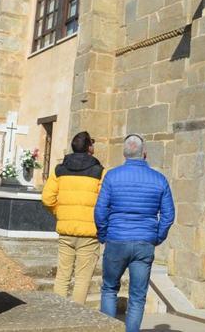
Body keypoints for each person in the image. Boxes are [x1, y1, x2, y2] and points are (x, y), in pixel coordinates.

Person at [95, 134, 175, 332]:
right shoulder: (159, 179)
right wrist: (157, 237)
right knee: (138, 296)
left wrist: (104, 234)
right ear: (144, 154)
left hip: (116, 239)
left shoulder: (112, 176)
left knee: (109, 289)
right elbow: (168, 215)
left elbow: (100, 210)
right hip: (144, 242)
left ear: (124, 153)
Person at [41, 131, 104, 304]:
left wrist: (59, 212)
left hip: (66, 231)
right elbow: (105, 201)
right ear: (89, 148)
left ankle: (57, 316)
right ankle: (76, 320)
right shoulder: (99, 171)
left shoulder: (59, 170)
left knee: (62, 276)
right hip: (89, 233)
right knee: (82, 279)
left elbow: (47, 198)